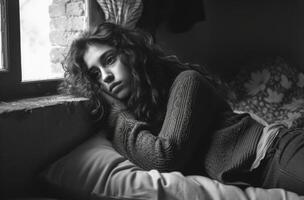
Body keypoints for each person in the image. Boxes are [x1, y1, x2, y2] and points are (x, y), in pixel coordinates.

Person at [60, 22, 304, 195]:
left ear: (130, 54)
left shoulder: (187, 81)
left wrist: (117, 112)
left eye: (110, 60)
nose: (106, 77)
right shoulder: (142, 118)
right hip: (262, 171)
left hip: (275, 153)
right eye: (95, 74)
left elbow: (163, 158)